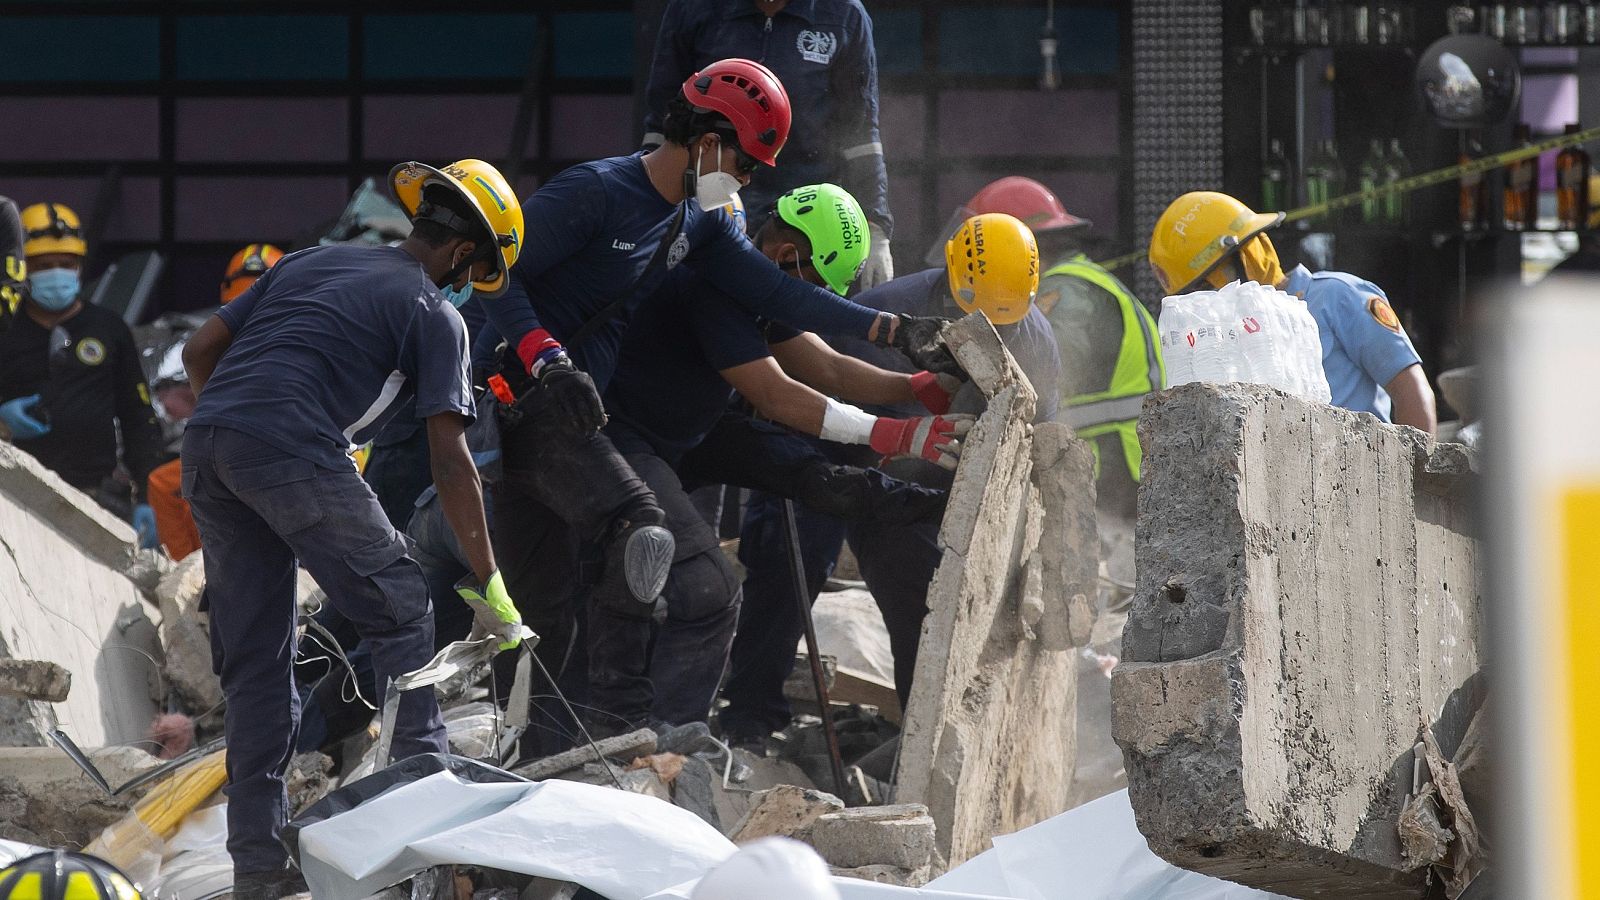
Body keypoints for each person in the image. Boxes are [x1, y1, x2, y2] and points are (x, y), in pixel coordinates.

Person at [476, 58, 956, 728]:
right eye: (749, 164)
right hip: (530, 411)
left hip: (593, 422)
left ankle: (593, 750)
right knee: (631, 574)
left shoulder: (698, 221)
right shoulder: (595, 193)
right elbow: (493, 278)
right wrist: (547, 358)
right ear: (707, 144)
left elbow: (784, 303)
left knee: (569, 602)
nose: (751, 181)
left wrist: (893, 334)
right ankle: (627, 743)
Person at [178, 159, 527, 899]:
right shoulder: (435, 314)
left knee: (260, 669)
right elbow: (452, 460)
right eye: (479, 268)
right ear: (465, 252)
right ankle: (416, 829)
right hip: (293, 447)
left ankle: (258, 874)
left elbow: (199, 352)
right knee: (403, 611)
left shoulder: (310, 260)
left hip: (209, 445)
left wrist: (242, 429)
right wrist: (490, 583)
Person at [597, 184, 958, 731]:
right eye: (810, 287)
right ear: (787, 257)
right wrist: (894, 434)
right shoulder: (716, 280)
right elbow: (778, 394)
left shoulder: (762, 283)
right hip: (627, 440)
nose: (805, 300)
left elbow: (828, 368)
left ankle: (664, 728)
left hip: (685, 432)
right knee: (706, 589)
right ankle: (662, 742)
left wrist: (915, 384)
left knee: (808, 474)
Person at [723, 211, 1058, 746]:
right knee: (788, 568)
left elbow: (1033, 435)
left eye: (1007, 321)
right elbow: (824, 384)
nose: (996, 332)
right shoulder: (886, 312)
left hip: (925, 477)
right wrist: (890, 439)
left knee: (920, 603)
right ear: (951, 277)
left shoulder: (1034, 338)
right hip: (827, 443)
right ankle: (748, 724)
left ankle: (919, 736)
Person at [642, 0, 894, 287]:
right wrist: (647, 203)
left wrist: (875, 229)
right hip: (710, 198)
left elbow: (860, 134)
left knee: (788, 313)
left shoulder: (844, 14)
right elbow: (664, 122)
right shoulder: (691, 8)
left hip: (803, 217)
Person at [1148, 191, 1437, 435]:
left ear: (1247, 254)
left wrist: (1413, 485)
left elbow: (1410, 390)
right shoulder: (1221, 342)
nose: (1202, 300)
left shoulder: (1336, 296)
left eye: (1205, 284)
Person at [961, 176, 1163, 515]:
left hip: (1110, 471)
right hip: (1112, 467)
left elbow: (1043, 370)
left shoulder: (1067, 291)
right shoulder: (1079, 282)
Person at [0, 202, 164, 545]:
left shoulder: (108, 329)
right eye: (43, 266)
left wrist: (149, 494)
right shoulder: (6, 327)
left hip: (93, 498)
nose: (56, 273)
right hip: (14, 498)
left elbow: (138, 417)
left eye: (66, 264)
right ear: (22, 268)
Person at [146, 244, 286, 560]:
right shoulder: (216, 346)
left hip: (289, 456)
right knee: (166, 484)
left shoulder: (298, 339)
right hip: (234, 451)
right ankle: (190, 571)